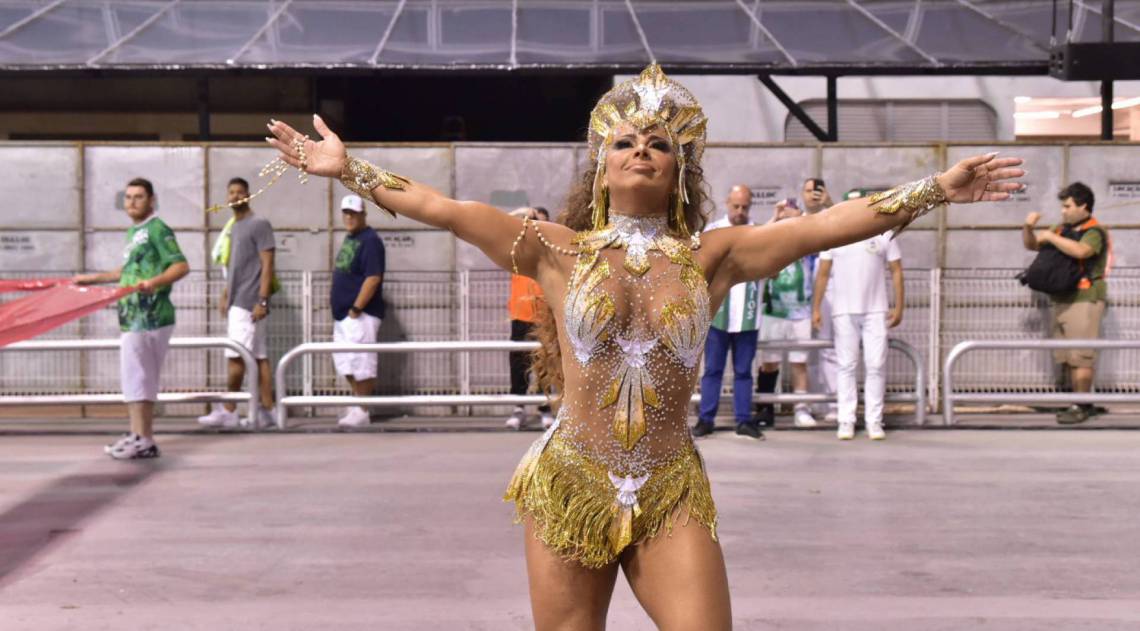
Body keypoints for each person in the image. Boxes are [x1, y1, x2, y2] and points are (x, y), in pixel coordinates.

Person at [266, 65, 1024, 630]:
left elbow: (825, 227)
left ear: (679, 166)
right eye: (624, 140)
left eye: (659, 142)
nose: (641, 150)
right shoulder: (555, 248)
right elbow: (446, 208)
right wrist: (351, 169)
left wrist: (936, 188)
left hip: (668, 486)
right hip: (571, 480)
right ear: (601, 161)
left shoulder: (714, 255)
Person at [74, 178, 189, 459]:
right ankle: (138, 434)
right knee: (133, 377)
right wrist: (92, 279)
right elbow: (126, 271)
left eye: (138, 197)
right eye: (128, 197)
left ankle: (144, 438)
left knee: (140, 377)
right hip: (132, 317)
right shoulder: (134, 233)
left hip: (149, 317)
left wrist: (154, 282)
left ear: (151, 200)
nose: (132, 202)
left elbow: (181, 265)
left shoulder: (157, 229)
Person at [1022, 182, 1111, 425]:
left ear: (1083, 206)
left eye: (1068, 206)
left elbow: (1082, 252)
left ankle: (1080, 405)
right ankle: (1079, 400)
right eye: (1062, 206)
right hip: (1060, 298)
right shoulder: (1060, 229)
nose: (1063, 211)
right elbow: (1032, 244)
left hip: (1084, 299)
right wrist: (1028, 227)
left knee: (1081, 355)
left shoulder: (1095, 231)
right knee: (1067, 356)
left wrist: (1051, 236)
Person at [811, 226, 905, 441]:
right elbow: (823, 273)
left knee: (876, 366)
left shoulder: (885, 233)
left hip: (876, 310)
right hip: (843, 310)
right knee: (846, 366)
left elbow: (896, 269)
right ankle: (846, 419)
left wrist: (899, 306)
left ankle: (874, 420)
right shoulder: (835, 233)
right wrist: (816, 307)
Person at [198, 177, 276, 429]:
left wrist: (262, 300)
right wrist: (225, 295)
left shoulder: (259, 224)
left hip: (249, 303)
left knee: (236, 357)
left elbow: (267, 265)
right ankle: (268, 410)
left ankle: (229, 409)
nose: (234, 196)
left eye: (239, 192)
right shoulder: (235, 226)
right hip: (237, 301)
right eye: (230, 192)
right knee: (259, 356)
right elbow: (236, 267)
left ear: (249, 195)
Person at [692, 185, 764, 440]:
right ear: (727, 203)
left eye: (745, 207)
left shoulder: (759, 233)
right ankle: (706, 418)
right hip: (717, 312)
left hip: (747, 312)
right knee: (712, 369)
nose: (740, 211)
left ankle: (743, 419)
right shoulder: (713, 232)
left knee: (744, 371)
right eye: (736, 206)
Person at [759, 199, 818, 429]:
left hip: (800, 311)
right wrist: (776, 216)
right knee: (769, 362)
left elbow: (814, 229)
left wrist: (799, 216)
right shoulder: (771, 239)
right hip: (774, 310)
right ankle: (765, 409)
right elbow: (758, 235)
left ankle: (801, 409)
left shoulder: (802, 240)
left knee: (799, 362)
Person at [330, 194, 386, 428]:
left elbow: (373, 277)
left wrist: (356, 308)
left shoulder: (370, 240)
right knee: (346, 362)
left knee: (362, 363)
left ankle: (362, 410)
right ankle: (356, 405)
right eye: (346, 213)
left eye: (353, 213)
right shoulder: (351, 238)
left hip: (359, 315)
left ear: (363, 214)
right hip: (344, 316)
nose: (349, 217)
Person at [505, 206, 555, 430]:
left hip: (545, 316)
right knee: (519, 363)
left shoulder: (551, 251)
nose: (537, 227)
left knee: (544, 364)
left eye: (541, 223)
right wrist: (523, 212)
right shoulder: (518, 249)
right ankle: (519, 408)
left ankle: (545, 408)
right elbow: (502, 223)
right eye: (533, 223)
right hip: (521, 314)